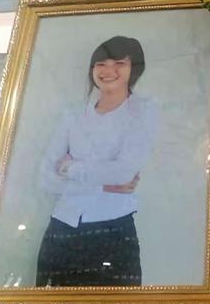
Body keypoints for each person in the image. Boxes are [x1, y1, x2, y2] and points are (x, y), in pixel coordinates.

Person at [36, 36, 156, 287]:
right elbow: (46, 177)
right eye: (100, 63)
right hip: (62, 228)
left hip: (113, 230)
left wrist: (71, 168)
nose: (108, 71)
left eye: (119, 63)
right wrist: (104, 183)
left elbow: (124, 172)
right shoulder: (72, 114)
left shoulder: (144, 111)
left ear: (134, 68)